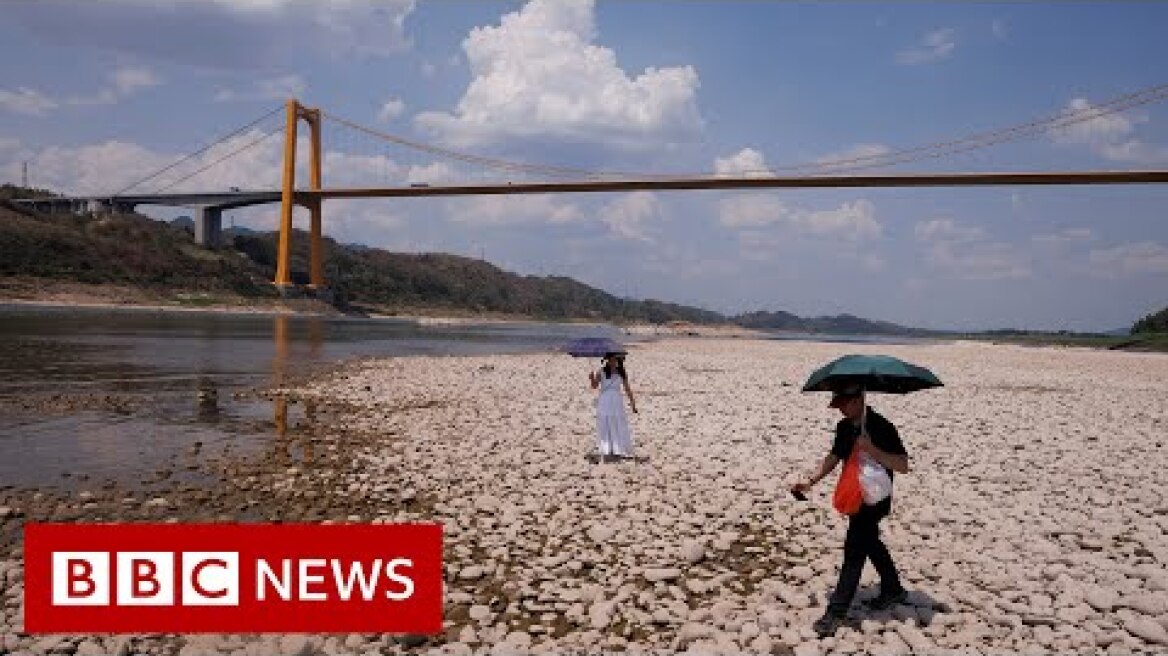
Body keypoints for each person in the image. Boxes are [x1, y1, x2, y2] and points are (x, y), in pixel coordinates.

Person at [790, 384, 910, 637]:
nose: (840, 410)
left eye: (844, 404)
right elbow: (834, 456)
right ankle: (893, 588)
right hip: (853, 495)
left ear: (858, 400)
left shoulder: (881, 426)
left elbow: (902, 465)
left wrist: (872, 450)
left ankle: (836, 611)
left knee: (854, 550)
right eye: (838, 406)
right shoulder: (844, 428)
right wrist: (810, 481)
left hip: (874, 499)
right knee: (871, 542)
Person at [588, 352, 638, 461]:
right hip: (605, 400)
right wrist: (591, 378)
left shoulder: (621, 373)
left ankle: (618, 447)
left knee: (617, 422)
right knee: (605, 421)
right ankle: (607, 447)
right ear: (607, 360)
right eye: (611, 359)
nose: (613, 362)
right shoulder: (601, 371)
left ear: (618, 360)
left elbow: (627, 389)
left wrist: (633, 403)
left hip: (616, 400)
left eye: (615, 359)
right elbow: (594, 386)